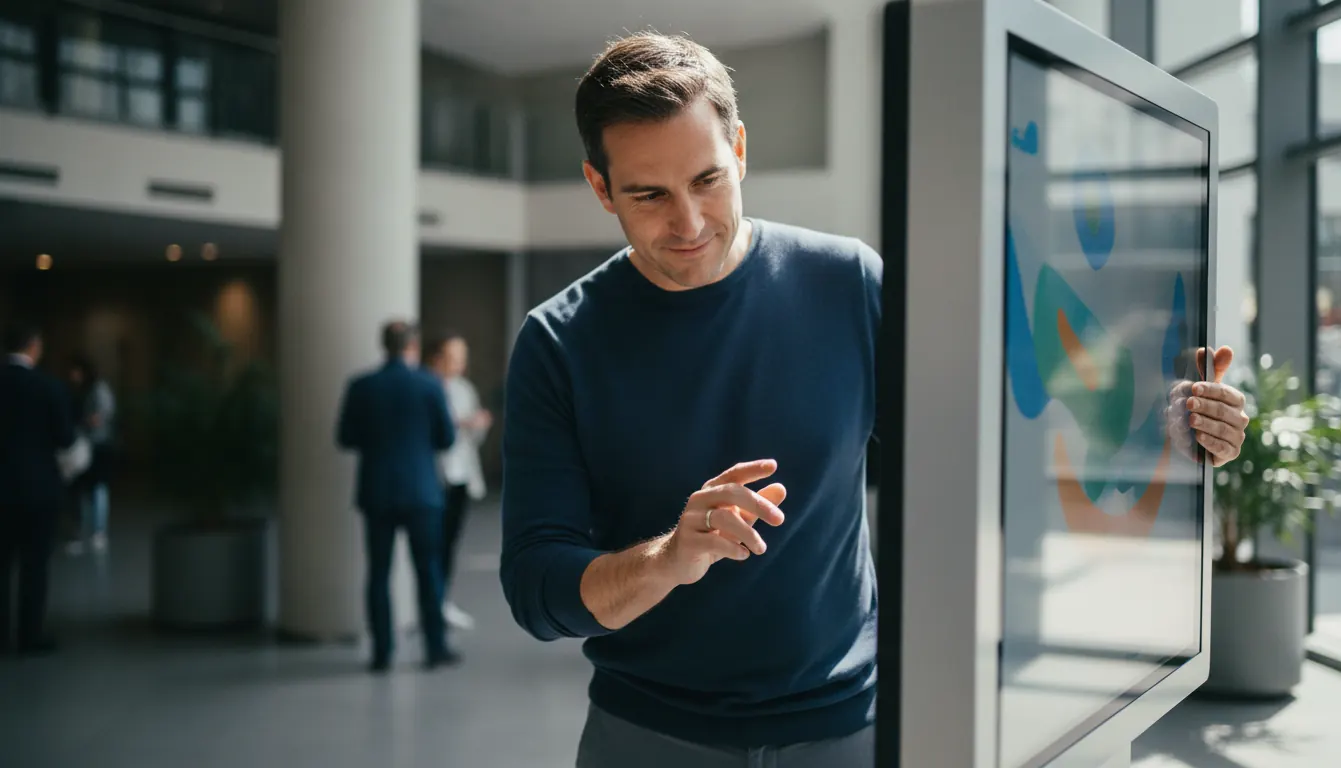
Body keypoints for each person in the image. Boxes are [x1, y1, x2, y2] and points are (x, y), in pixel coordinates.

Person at [498, 32, 1252, 767]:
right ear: (600, 187)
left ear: (741, 150)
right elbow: (537, 590)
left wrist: (1169, 430)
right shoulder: (558, 341)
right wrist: (670, 558)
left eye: (708, 180)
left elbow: (990, 442)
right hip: (647, 736)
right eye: (649, 194)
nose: (689, 222)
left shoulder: (847, 282)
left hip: (846, 728)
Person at [337, 320, 458, 672]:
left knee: (378, 573)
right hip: (422, 492)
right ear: (413, 346)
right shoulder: (429, 384)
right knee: (428, 571)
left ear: (384, 345)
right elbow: (447, 438)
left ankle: (382, 653)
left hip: (377, 491)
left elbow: (345, 437)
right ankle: (435, 648)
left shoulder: (361, 386)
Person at [0, 323, 76, 655]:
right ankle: (29, 634)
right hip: (38, 489)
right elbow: (65, 439)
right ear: (33, 346)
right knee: (35, 566)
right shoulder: (49, 387)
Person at [425, 332, 492, 633]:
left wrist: (477, 425)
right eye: (453, 357)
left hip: (460, 475)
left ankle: (441, 601)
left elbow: (473, 438)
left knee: (450, 542)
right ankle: (429, 604)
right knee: (431, 544)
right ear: (436, 358)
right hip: (434, 476)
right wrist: (457, 424)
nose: (459, 363)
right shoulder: (426, 386)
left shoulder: (464, 389)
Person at [66, 356, 116, 554]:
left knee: (98, 489)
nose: (73, 376)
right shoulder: (79, 391)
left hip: (98, 445)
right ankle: (85, 531)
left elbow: (100, 418)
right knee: (83, 490)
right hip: (84, 444)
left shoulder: (98, 391)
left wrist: (81, 422)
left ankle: (98, 531)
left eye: (76, 371)